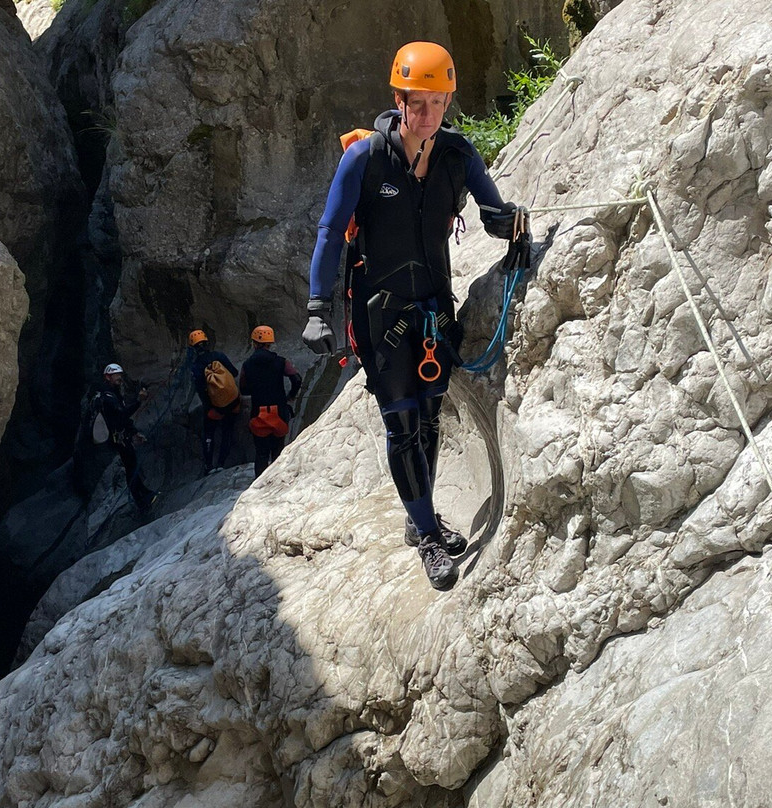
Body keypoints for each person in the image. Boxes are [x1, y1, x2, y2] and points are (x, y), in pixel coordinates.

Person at [301, 41, 529, 590]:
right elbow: (332, 231)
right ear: (397, 99)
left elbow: (491, 209)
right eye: (414, 101)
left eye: (435, 102)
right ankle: (428, 535)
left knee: (427, 419)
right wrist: (316, 306)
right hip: (379, 316)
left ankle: (417, 515)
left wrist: (512, 224)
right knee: (402, 422)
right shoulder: (365, 158)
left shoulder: (457, 155)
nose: (424, 113)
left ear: (447, 101)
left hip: (431, 310)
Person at [239, 326, 302, 479]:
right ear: (270, 343)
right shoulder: (281, 362)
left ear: (254, 343)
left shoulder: (247, 365)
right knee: (278, 452)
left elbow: (244, 390)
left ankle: (260, 486)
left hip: (259, 414)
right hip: (279, 412)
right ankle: (278, 483)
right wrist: (291, 396)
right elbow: (297, 379)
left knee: (261, 453)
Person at [96, 363, 158, 511]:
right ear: (108, 377)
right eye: (116, 375)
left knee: (132, 464)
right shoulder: (107, 396)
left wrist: (133, 432)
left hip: (122, 435)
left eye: (120, 375)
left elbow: (122, 419)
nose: (120, 378)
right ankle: (141, 501)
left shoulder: (115, 393)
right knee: (131, 466)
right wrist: (139, 401)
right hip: (117, 438)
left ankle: (144, 493)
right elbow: (122, 415)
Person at [187, 329, 240, 474]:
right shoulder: (219, 356)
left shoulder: (196, 366)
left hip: (213, 408)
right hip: (232, 404)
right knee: (227, 432)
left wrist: (209, 407)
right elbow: (234, 373)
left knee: (209, 434)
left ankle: (209, 466)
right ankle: (221, 463)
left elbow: (200, 389)